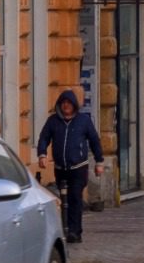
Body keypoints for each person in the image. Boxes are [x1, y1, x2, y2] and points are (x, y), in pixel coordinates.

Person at [34, 89, 104, 246]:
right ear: (60, 105)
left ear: (74, 106)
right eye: (63, 103)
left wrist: (99, 162)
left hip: (78, 167)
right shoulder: (53, 121)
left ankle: (74, 231)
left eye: (69, 103)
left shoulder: (83, 121)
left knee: (75, 198)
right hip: (60, 168)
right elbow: (44, 138)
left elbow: (94, 140)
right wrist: (42, 154)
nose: (66, 106)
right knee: (63, 199)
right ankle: (64, 229)